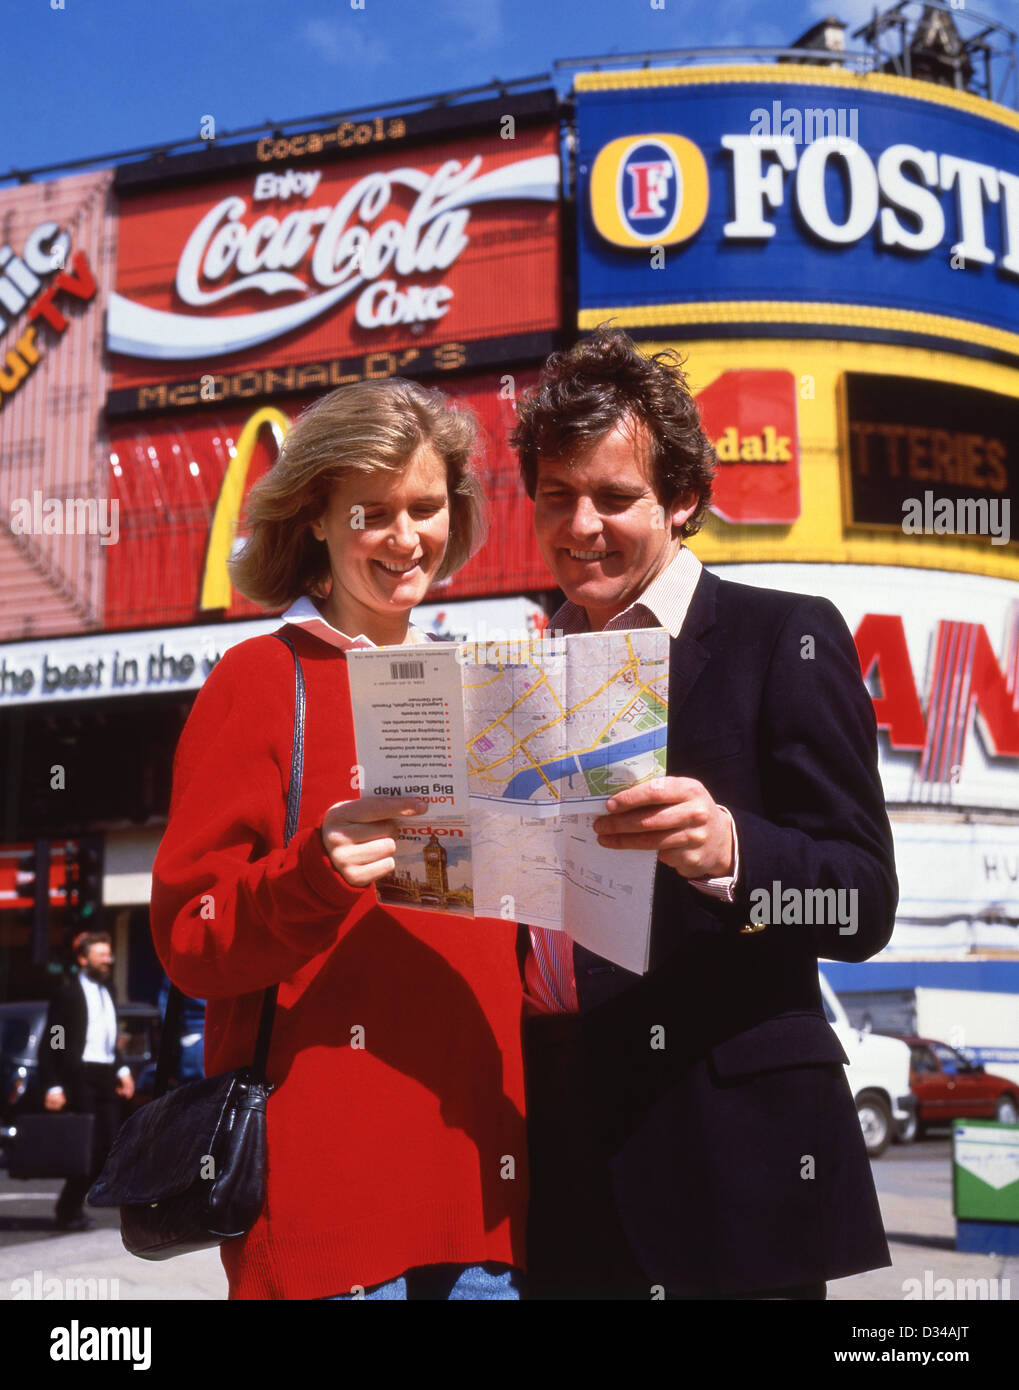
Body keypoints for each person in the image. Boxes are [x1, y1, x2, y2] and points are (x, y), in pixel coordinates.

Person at [510, 327, 898, 1300]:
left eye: (613, 496)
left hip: (736, 1167)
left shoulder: (782, 635)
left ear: (679, 498)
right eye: (555, 497)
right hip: (561, 1160)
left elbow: (861, 900)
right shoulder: (518, 672)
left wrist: (731, 848)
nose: (579, 525)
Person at [150, 378, 527, 1300]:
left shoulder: (490, 687)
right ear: (314, 516)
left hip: (485, 1203)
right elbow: (190, 938)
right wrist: (312, 875)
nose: (406, 539)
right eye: (372, 512)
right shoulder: (258, 679)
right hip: (331, 1218)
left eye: (427, 508)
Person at [41, 931, 135, 1231]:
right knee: (87, 1146)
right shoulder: (68, 993)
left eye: (109, 954)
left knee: (108, 1146)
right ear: (83, 959)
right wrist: (53, 1084)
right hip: (80, 1075)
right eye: (101, 955)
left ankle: (71, 1207)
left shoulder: (108, 989)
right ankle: (67, 1210)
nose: (108, 959)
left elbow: (110, 1038)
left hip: (105, 1073)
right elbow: (54, 1041)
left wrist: (122, 1071)